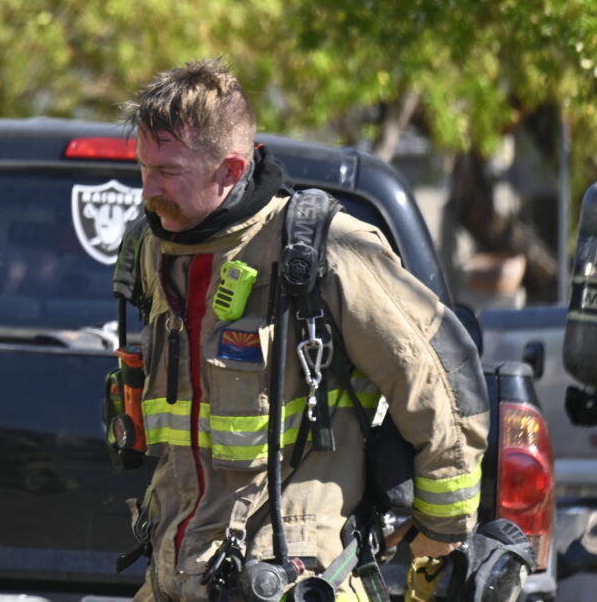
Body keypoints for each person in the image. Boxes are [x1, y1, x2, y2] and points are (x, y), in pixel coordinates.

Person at [121, 60, 488, 601]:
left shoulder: (325, 251)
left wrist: (440, 535)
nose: (147, 189)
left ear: (230, 169)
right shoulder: (157, 252)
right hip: (174, 578)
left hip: (290, 579)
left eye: (167, 172)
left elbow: (442, 379)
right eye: (143, 166)